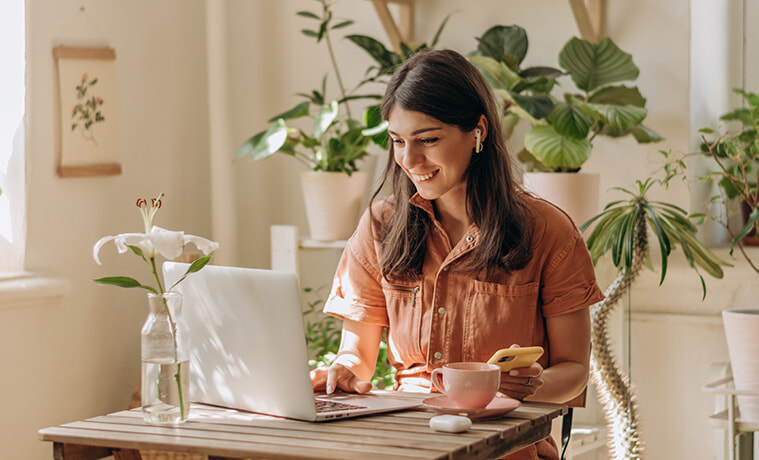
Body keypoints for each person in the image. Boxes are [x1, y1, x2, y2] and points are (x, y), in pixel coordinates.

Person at [310, 49, 604, 460]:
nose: (409, 161)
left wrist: (531, 385)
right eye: (398, 141)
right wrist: (341, 371)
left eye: (427, 139)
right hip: (405, 443)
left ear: (478, 131)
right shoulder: (381, 224)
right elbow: (357, 356)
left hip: (505, 446)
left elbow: (574, 369)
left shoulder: (547, 230)